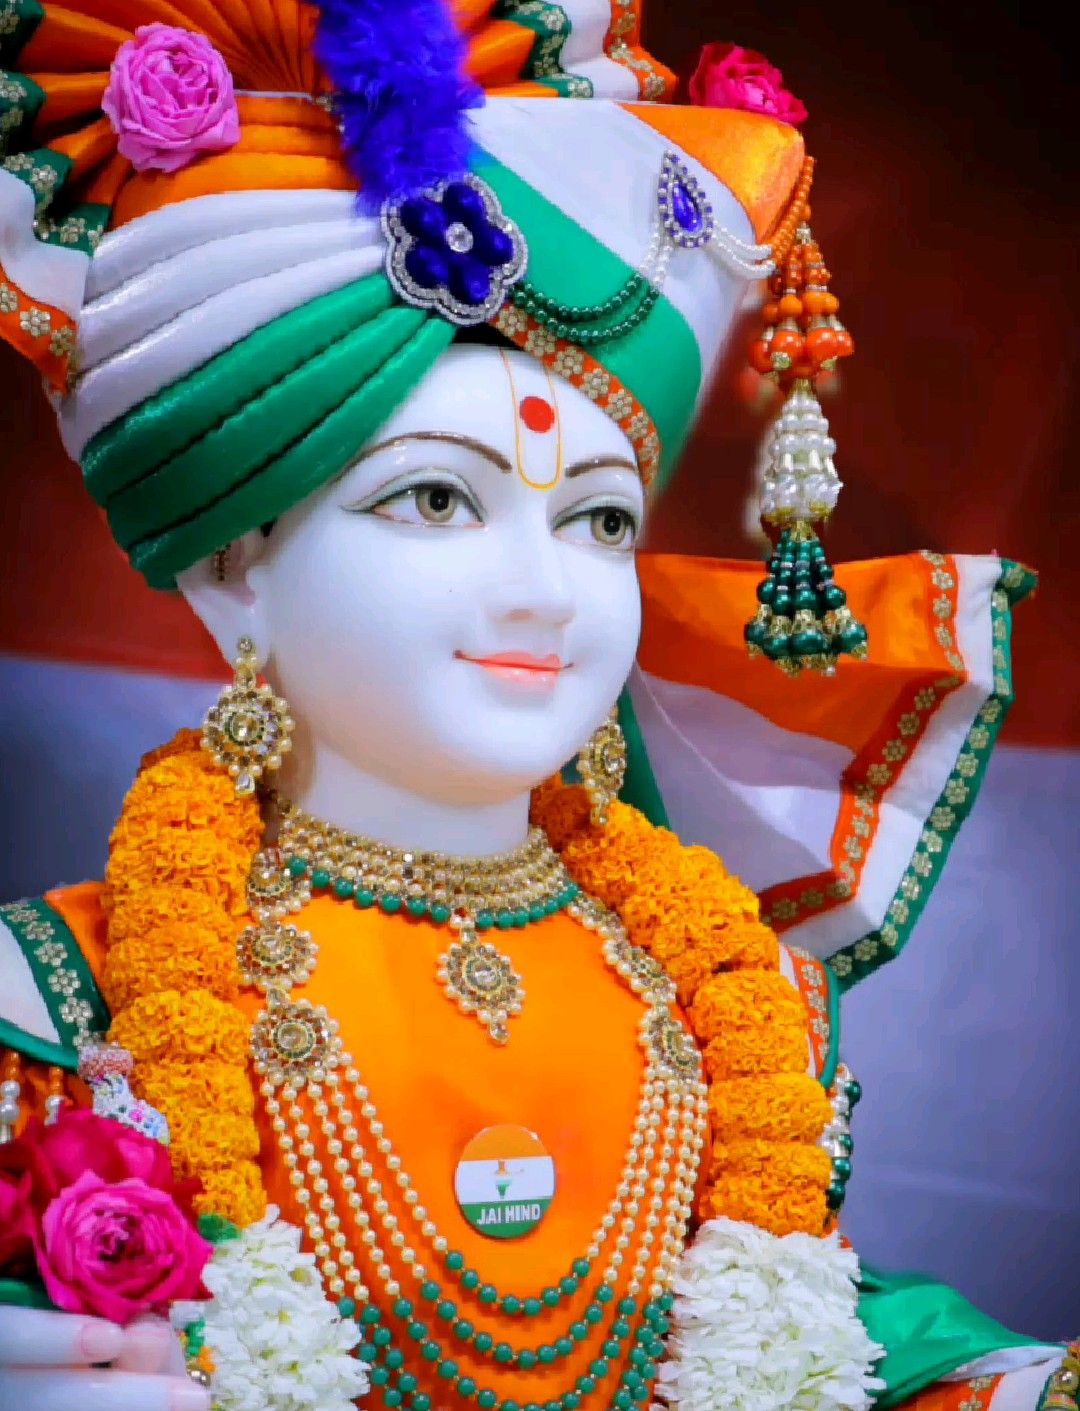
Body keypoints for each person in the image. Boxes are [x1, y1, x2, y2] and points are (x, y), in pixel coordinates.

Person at [0, 3, 1071, 1410]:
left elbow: (831, 1342)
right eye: (436, 499)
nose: (545, 592)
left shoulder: (736, 1003)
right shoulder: (58, 1004)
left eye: (602, 524)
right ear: (229, 577)